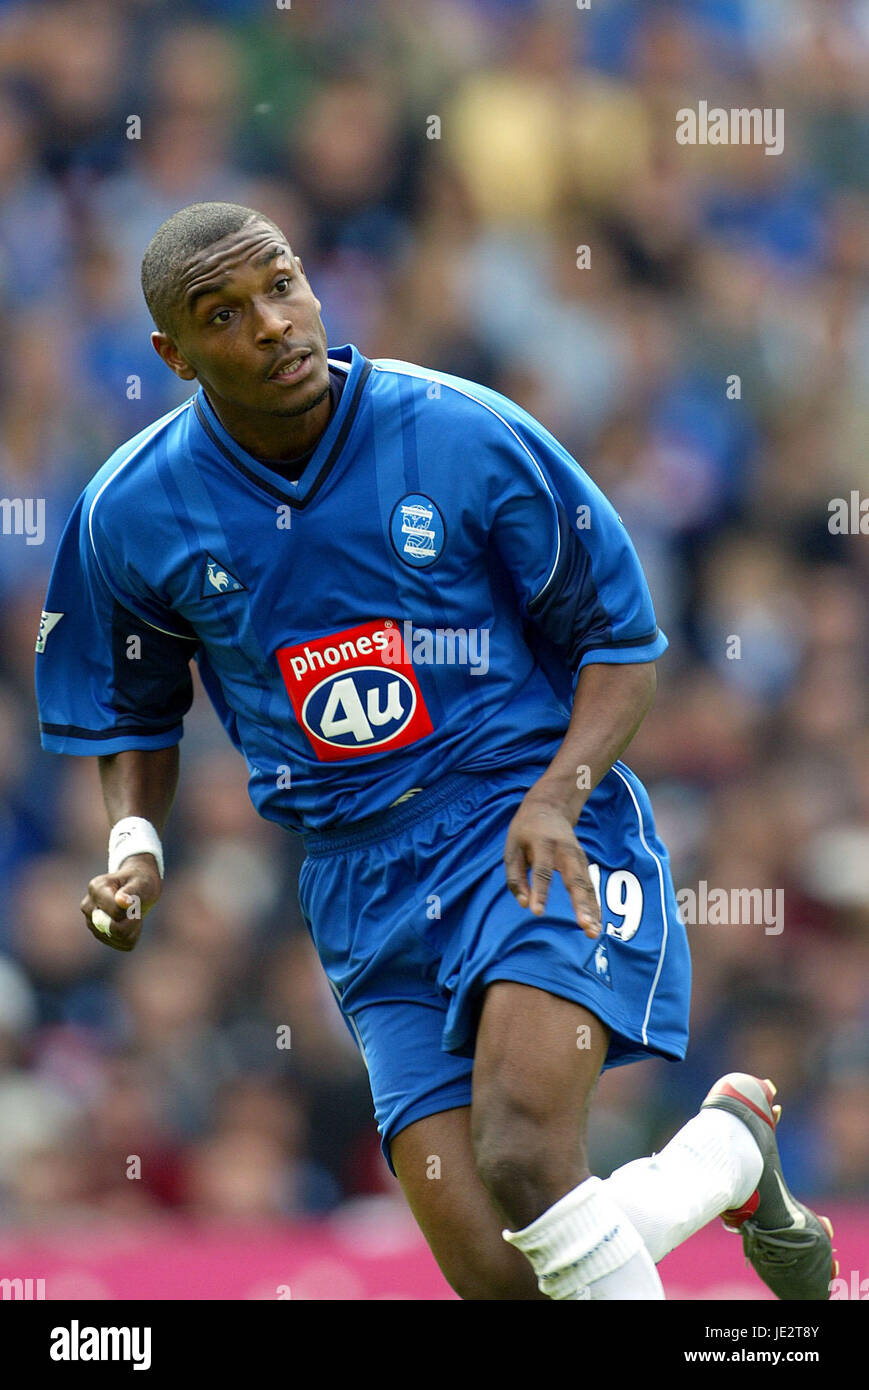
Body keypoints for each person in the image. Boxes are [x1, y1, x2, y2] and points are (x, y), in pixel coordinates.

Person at [35, 202, 834, 1300]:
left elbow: (622, 641)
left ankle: (720, 1155)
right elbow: (132, 706)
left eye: (281, 285)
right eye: (226, 313)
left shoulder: (459, 431)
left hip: (524, 819)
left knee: (524, 1158)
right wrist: (136, 842)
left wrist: (559, 794)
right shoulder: (132, 510)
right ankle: (722, 1156)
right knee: (502, 1281)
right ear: (173, 354)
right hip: (358, 879)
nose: (272, 324)